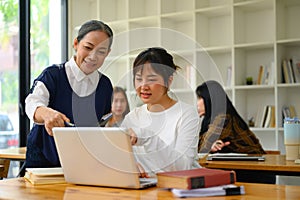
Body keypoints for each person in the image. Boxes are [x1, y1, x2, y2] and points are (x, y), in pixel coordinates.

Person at [25, 20, 114, 168]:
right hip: (44, 164)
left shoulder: (105, 85)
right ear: (76, 44)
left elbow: (103, 124)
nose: (93, 56)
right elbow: (32, 102)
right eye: (88, 47)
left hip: (82, 164)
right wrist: (46, 114)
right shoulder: (53, 75)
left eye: (101, 52)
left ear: (108, 53)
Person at [121, 47, 200, 177]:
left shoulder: (186, 114)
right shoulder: (132, 117)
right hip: (143, 189)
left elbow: (184, 167)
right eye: (139, 79)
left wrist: (147, 137)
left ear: (168, 81)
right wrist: (129, 166)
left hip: (176, 190)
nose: (143, 86)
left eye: (151, 79)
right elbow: (120, 158)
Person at [196, 80, 266, 154]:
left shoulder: (224, 119)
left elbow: (199, 147)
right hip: (245, 162)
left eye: (199, 98)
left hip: (254, 162)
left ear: (209, 100)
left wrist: (207, 145)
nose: (197, 103)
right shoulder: (213, 118)